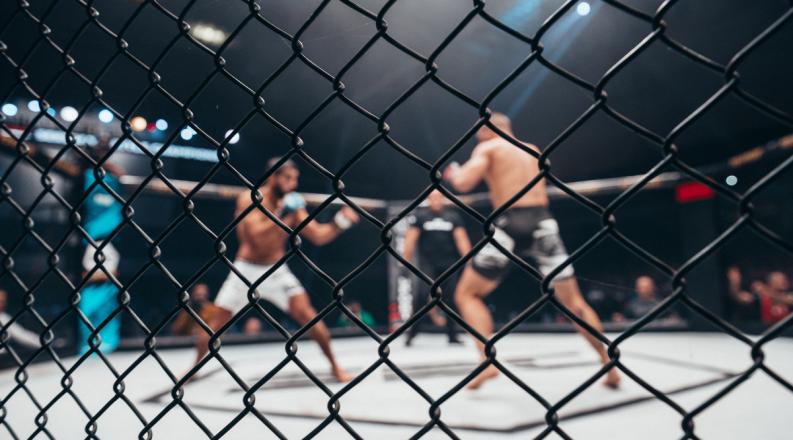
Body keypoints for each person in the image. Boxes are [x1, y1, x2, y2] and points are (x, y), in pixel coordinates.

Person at [443, 112, 620, 389]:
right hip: (543, 223)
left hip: (510, 225)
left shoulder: (489, 147)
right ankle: (609, 364)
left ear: (488, 130)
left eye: (479, 134)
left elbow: (464, 183)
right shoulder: (532, 150)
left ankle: (486, 362)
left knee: (467, 294)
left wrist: (454, 172)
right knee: (574, 303)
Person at [193, 157, 360, 382]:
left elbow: (318, 236)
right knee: (215, 324)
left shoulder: (293, 205)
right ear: (273, 177)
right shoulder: (249, 198)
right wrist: (283, 214)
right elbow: (256, 238)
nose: (293, 184)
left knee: (309, 316)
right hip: (245, 271)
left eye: (295, 179)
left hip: (276, 270)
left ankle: (335, 367)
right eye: (288, 178)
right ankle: (194, 368)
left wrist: (340, 223)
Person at [402, 189, 471, 345]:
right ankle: (411, 334)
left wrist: (469, 261)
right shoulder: (421, 217)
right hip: (428, 265)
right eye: (433, 198)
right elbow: (410, 240)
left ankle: (452, 335)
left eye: (439, 197)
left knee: (450, 299)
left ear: (443, 199)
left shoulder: (453, 217)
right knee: (421, 297)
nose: (436, 201)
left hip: (449, 264)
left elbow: (461, 239)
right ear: (429, 200)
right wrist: (405, 261)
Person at [78, 142, 125, 354]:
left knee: (108, 291)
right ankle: (91, 340)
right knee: (94, 291)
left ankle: (104, 339)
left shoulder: (112, 178)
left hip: (108, 239)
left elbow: (120, 173)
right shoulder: (88, 177)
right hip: (94, 239)